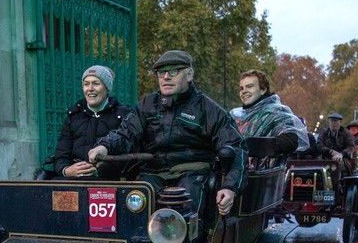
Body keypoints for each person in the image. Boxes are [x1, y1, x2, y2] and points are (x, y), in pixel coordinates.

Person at [87, 49, 246, 218]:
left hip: (192, 175)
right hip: (151, 174)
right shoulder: (147, 105)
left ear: (190, 74)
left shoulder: (209, 110)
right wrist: (104, 146)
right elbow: (126, 133)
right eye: (161, 72)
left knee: (184, 208)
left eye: (174, 71)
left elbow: (236, 147)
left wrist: (229, 187)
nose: (166, 77)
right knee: (134, 205)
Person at [52, 65, 130, 178]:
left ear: (107, 88)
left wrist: (101, 169)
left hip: (109, 181)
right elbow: (61, 154)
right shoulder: (73, 116)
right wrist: (66, 170)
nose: (90, 88)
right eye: (86, 84)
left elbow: (128, 155)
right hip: (74, 179)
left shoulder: (124, 115)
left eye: (96, 83)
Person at [229, 70, 310, 167]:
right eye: (241, 88)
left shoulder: (277, 112)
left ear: (263, 90)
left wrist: (256, 146)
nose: (244, 91)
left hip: (260, 173)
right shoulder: (236, 114)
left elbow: (290, 140)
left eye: (249, 86)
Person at [317, 113, 355, 177]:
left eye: (336, 121)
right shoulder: (324, 132)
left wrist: (341, 154)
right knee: (316, 165)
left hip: (341, 158)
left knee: (340, 166)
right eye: (331, 121)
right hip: (325, 156)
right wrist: (330, 151)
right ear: (329, 122)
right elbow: (319, 145)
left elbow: (351, 146)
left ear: (340, 122)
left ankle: (340, 183)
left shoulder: (346, 133)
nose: (333, 123)